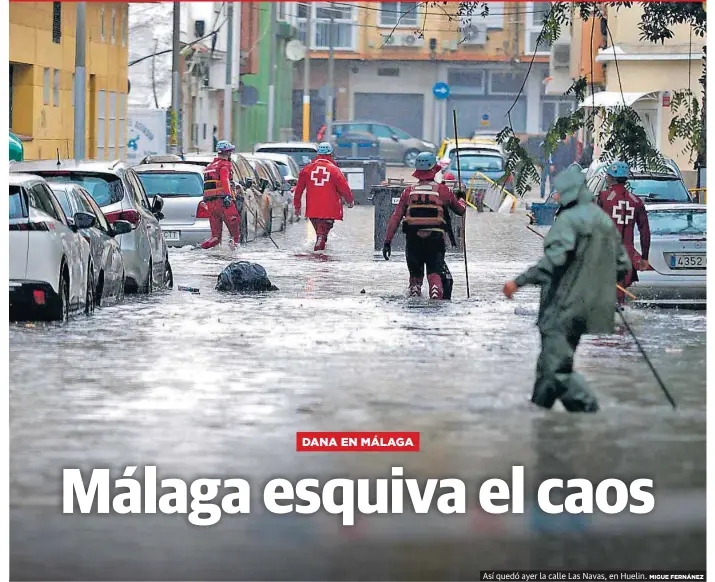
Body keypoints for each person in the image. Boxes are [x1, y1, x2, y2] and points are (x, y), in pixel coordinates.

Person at [502, 166, 631, 412]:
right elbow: (622, 265)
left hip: (560, 309)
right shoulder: (603, 219)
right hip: (590, 309)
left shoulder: (567, 221)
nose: (557, 197)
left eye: (560, 192)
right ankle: (539, 416)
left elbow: (551, 263)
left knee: (556, 371)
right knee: (548, 365)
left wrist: (517, 282)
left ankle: (589, 411)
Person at [381, 152, 467, 299]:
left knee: (415, 279)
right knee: (434, 274)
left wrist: (387, 242)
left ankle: (415, 293)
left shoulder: (408, 192)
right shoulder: (443, 190)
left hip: (413, 240)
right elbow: (460, 210)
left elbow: (395, 218)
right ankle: (435, 296)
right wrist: (462, 199)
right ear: (434, 170)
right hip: (435, 240)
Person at [596, 161, 651, 304]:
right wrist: (644, 258)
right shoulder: (637, 201)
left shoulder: (602, 197)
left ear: (610, 178)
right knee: (619, 296)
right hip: (627, 256)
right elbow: (645, 231)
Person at [293, 142, 354, 251]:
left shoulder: (307, 169)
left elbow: (298, 191)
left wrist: (297, 207)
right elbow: (344, 188)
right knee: (322, 234)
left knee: (319, 232)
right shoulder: (334, 170)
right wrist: (350, 201)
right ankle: (320, 253)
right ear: (331, 154)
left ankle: (319, 251)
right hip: (329, 210)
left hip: (312, 210)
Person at [200, 140, 242, 250]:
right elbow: (224, 180)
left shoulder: (210, 166)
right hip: (223, 201)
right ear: (228, 153)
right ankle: (235, 251)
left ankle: (201, 249)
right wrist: (228, 195)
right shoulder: (225, 165)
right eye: (230, 152)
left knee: (215, 237)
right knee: (234, 226)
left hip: (210, 203)